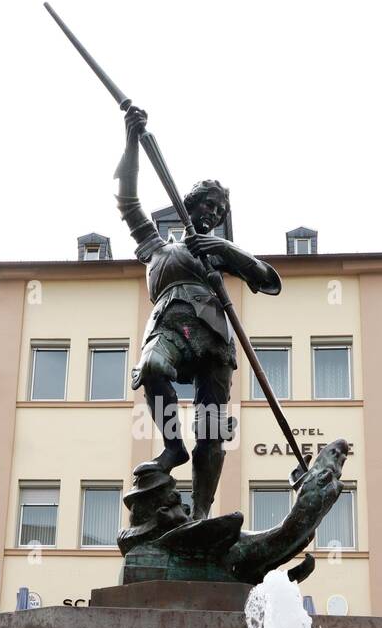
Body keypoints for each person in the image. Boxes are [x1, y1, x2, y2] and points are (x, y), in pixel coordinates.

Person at [115, 104, 281, 520]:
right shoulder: (157, 248)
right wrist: (132, 139)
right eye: (206, 205)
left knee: (210, 428)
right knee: (151, 368)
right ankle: (173, 446)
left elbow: (269, 280)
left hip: (212, 340)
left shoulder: (215, 252)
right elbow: (126, 197)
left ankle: (202, 512)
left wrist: (226, 250)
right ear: (189, 205)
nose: (212, 213)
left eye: (218, 211)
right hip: (170, 324)